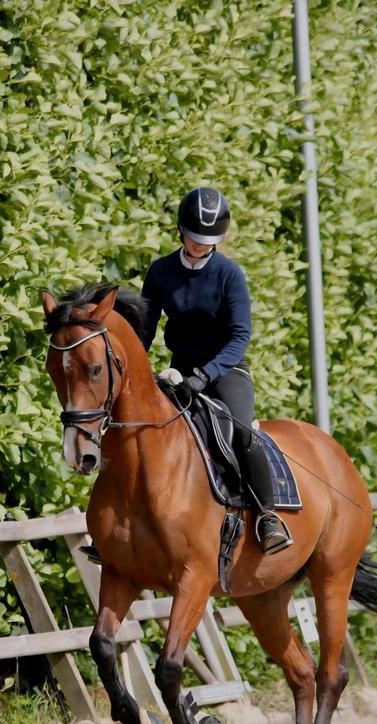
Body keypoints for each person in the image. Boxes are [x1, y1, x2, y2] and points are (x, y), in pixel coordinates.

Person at [140, 186, 292, 554]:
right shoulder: (160, 272)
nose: (198, 246)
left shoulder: (229, 274)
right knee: (139, 430)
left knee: (242, 431)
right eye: (193, 239)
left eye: (207, 241)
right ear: (181, 232)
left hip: (225, 370)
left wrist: (205, 375)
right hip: (178, 372)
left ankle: (269, 516)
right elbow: (143, 331)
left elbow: (240, 336)